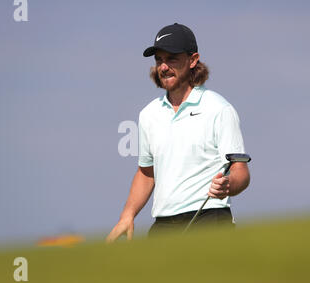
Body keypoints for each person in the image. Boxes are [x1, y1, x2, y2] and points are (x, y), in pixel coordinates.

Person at [106, 23, 250, 242]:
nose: (163, 67)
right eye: (159, 60)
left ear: (193, 60)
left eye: (172, 58)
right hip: (163, 225)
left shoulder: (219, 108)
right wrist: (128, 214)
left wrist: (229, 185)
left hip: (210, 218)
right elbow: (146, 173)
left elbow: (240, 171)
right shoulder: (148, 115)